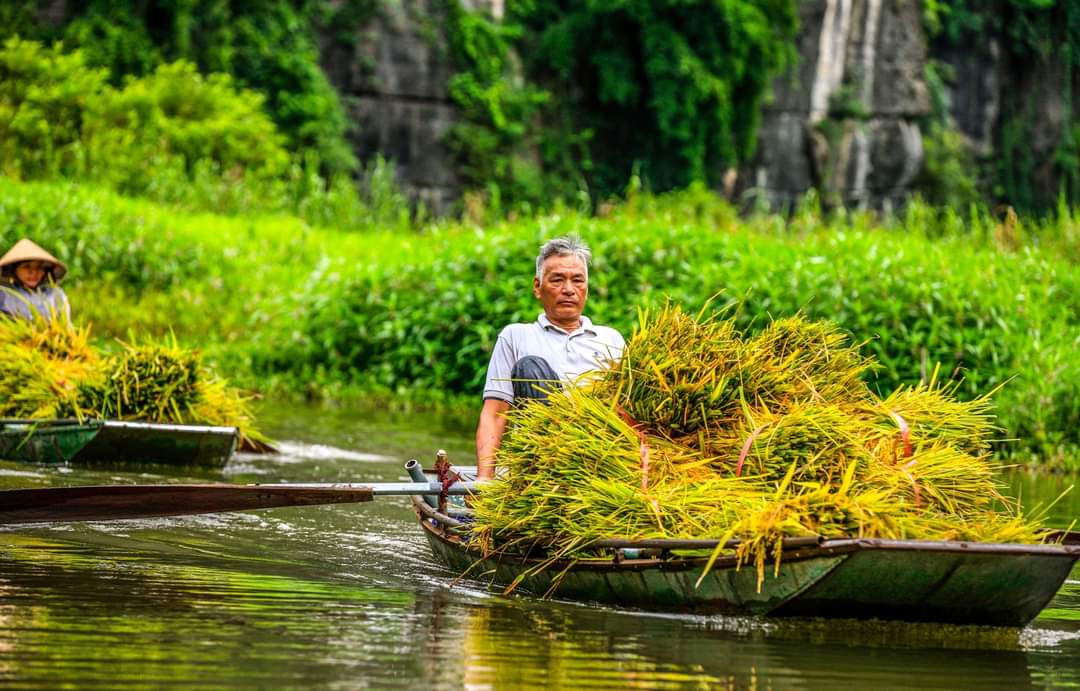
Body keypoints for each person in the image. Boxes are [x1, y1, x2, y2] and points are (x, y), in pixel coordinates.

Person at [475, 236, 624, 480]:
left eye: (577, 280)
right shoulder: (516, 336)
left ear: (587, 287)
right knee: (530, 368)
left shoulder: (611, 340)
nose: (568, 289)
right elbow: (494, 413)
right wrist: (484, 478)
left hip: (600, 462)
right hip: (542, 466)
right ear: (537, 287)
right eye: (557, 280)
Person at [0, 238, 71, 324]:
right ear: (14, 270)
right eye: (27, 267)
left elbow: (66, 326)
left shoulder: (56, 295)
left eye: (39, 267)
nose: (34, 273)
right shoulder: (4, 294)